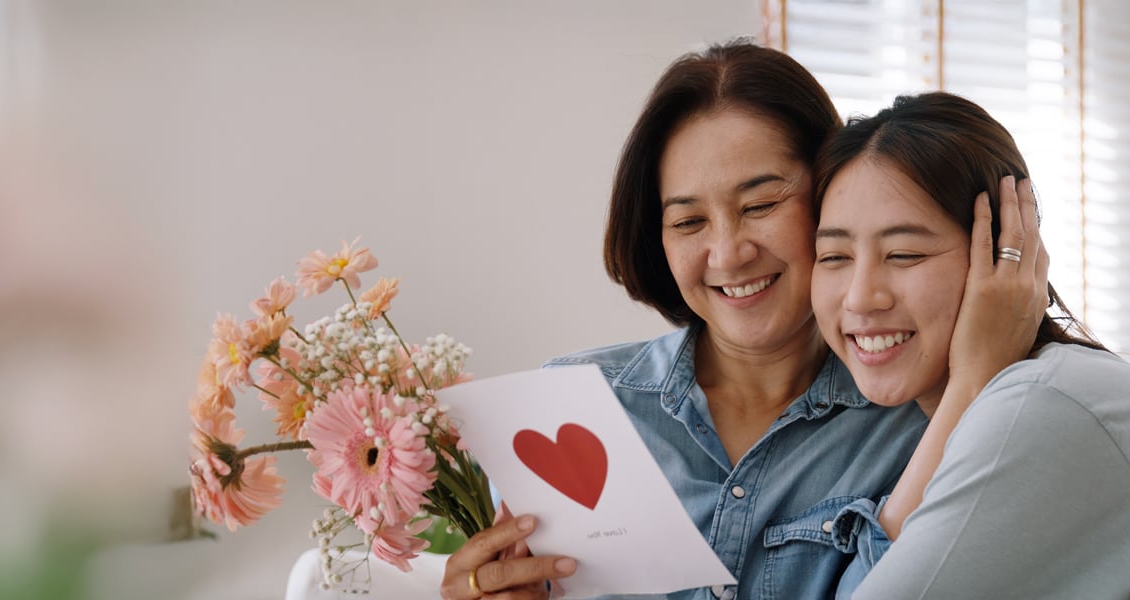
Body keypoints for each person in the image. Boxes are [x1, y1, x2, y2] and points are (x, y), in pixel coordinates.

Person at [439, 41, 1025, 600]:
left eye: (761, 205)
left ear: (831, 195)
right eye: (689, 222)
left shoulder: (923, 421)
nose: (728, 253)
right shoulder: (565, 405)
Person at [810, 92, 1130, 599]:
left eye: (904, 254)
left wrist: (973, 375)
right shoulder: (937, 416)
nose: (862, 297)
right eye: (834, 256)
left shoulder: (1046, 400)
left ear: (1004, 254)